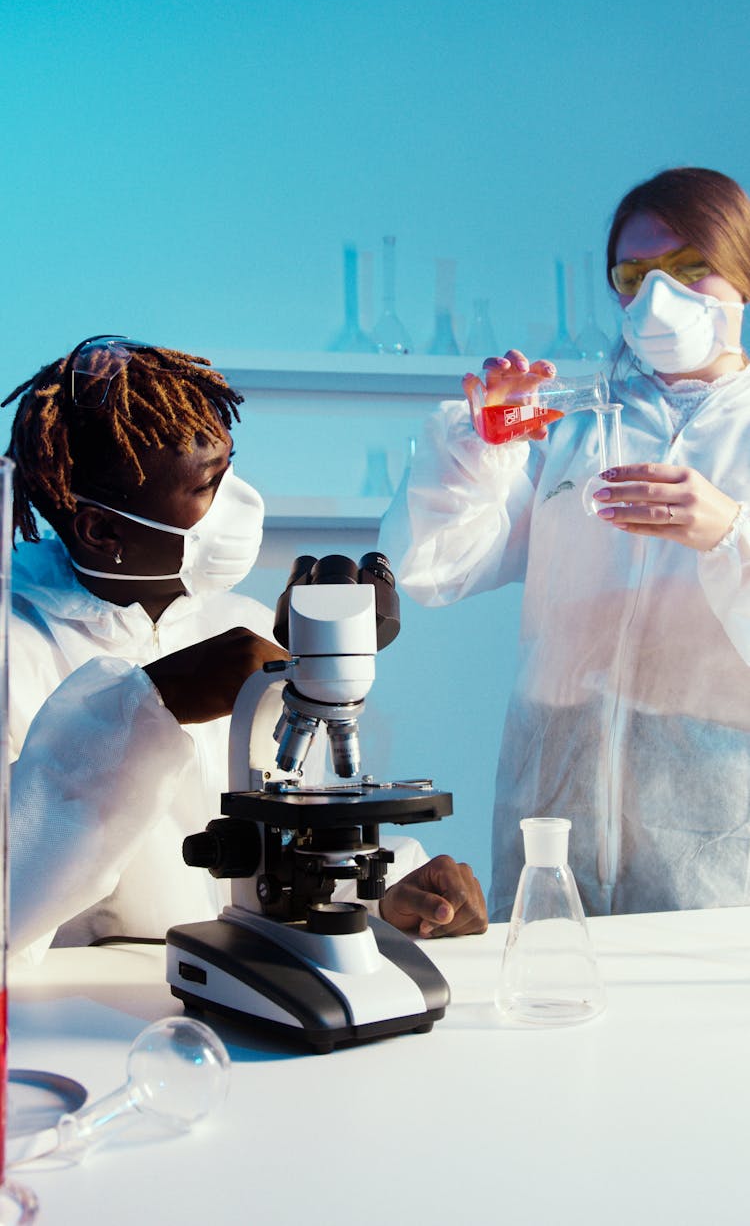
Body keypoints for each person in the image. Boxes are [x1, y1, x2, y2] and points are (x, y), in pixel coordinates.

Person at [5, 337, 487, 960]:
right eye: (210, 484)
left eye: (230, 467)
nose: (243, 501)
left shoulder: (234, 621)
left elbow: (298, 822)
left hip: (230, 980)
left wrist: (384, 894)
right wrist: (154, 701)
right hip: (72, 1011)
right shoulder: (14, 644)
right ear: (101, 530)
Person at [380, 165, 750, 919]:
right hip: (553, 824)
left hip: (718, 842)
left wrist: (733, 536)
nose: (658, 297)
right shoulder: (576, 426)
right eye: (635, 273)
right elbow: (434, 566)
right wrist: (482, 446)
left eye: (689, 269)